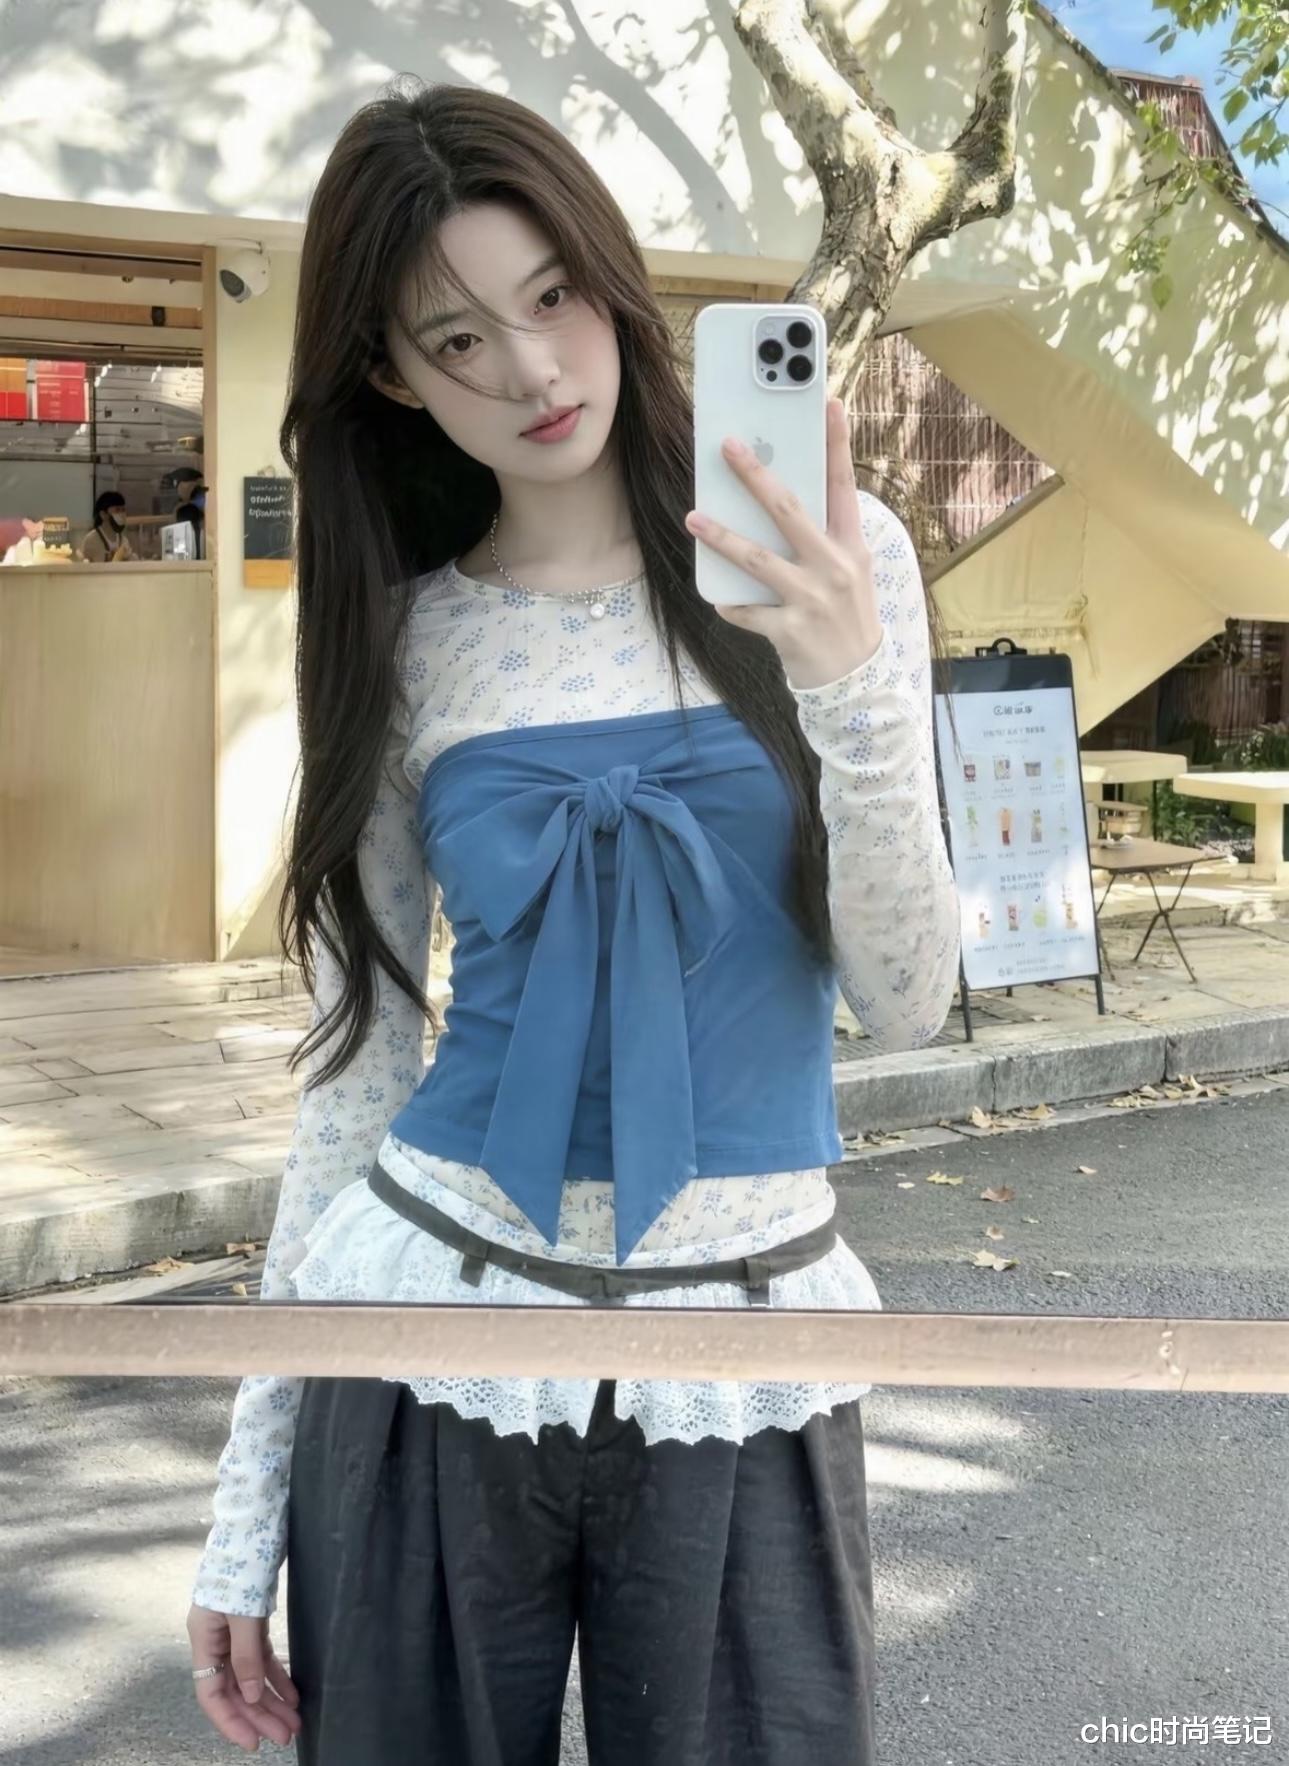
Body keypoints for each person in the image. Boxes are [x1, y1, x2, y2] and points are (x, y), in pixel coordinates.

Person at [187, 78, 960, 1765]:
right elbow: (351, 1082)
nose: (533, 369)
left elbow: (909, 996)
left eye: (552, 296)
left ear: (611, 283)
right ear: (390, 375)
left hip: (742, 1337)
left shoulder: (845, 563)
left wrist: (843, 682)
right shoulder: (407, 639)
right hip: (429, 1330)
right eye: (458, 339)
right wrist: (243, 1513)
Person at [79, 491, 133, 563]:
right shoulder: (91, 540)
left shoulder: (124, 541)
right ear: (103, 514)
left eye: (123, 510)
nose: (121, 514)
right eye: (117, 510)